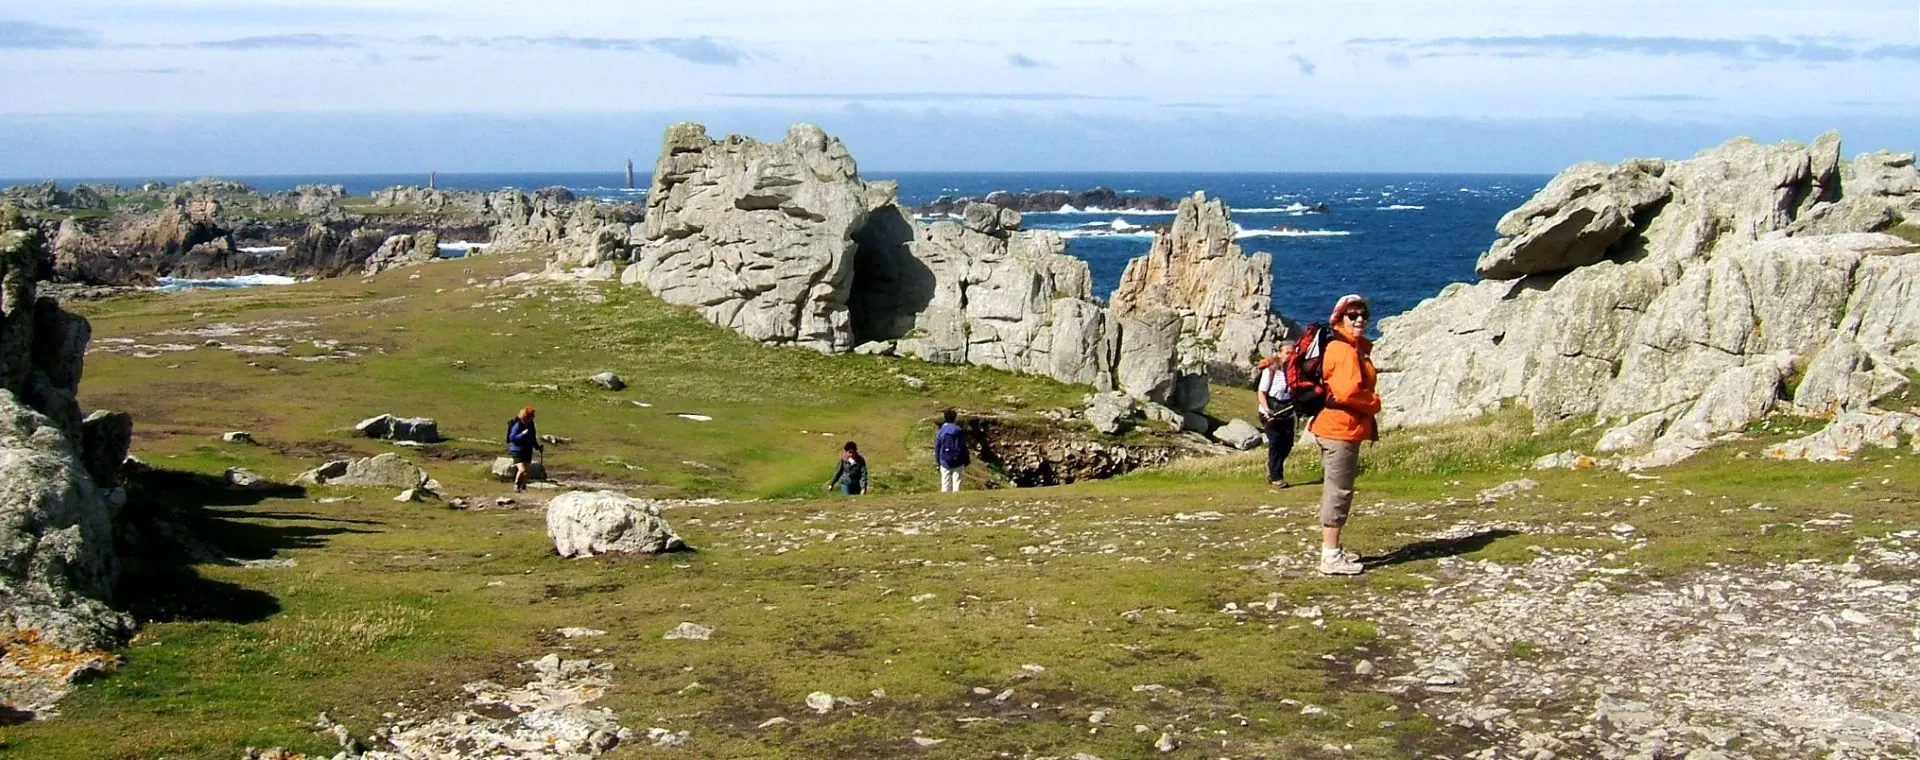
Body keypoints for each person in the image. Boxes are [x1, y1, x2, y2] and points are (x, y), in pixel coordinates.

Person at [1308, 294, 1381, 576]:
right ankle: (1330, 555)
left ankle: (1334, 550)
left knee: (1337, 487)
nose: (1360, 319)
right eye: (1352, 315)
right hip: (1340, 429)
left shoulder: (1348, 347)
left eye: (1363, 314)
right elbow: (1347, 392)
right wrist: (1374, 403)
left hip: (1336, 427)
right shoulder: (1344, 351)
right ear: (1339, 319)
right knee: (1338, 490)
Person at [1256, 342, 1298, 489]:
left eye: (1293, 352)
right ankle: (1276, 476)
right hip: (1270, 412)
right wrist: (1267, 411)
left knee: (1287, 444)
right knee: (1275, 442)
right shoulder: (1271, 371)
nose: (1290, 356)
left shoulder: (1296, 371)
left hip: (1287, 412)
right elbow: (1261, 392)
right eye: (1287, 352)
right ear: (1279, 354)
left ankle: (1271, 465)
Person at [506, 406, 544, 492]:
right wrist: (522, 434)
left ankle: (523, 487)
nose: (532, 418)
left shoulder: (531, 425)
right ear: (526, 416)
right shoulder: (517, 424)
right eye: (531, 416)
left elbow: (533, 437)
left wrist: (538, 447)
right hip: (517, 450)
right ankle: (516, 485)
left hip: (527, 449)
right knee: (522, 470)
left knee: (526, 471)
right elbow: (512, 438)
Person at [934, 409, 969, 492]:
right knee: (957, 483)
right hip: (958, 461)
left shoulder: (941, 431)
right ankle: (957, 501)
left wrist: (938, 462)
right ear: (955, 418)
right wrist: (966, 460)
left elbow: (937, 447)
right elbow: (963, 446)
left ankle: (945, 502)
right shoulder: (959, 431)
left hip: (944, 460)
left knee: (945, 484)